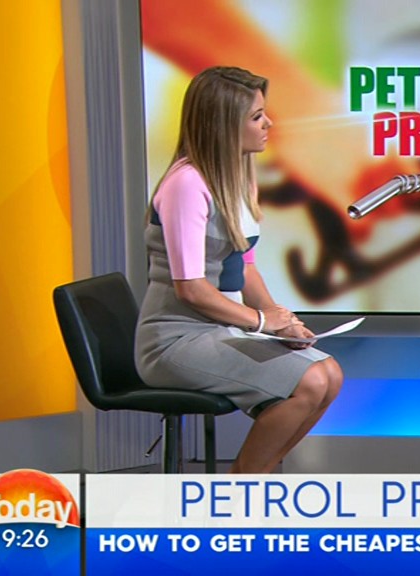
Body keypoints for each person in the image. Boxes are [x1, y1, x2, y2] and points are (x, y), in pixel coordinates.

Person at [135, 66, 343, 474]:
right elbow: (191, 289)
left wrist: (283, 323)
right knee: (311, 381)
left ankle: (252, 484)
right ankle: (238, 495)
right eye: (256, 117)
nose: (268, 124)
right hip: (175, 340)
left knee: (330, 375)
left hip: (222, 330)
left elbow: (245, 268)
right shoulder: (186, 185)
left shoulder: (240, 176)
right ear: (224, 125)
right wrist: (262, 322)